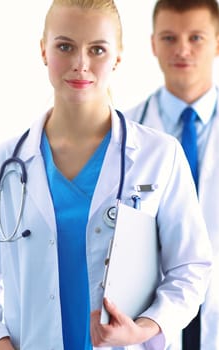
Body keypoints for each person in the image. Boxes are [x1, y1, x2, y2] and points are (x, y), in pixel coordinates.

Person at [0, 0, 213, 349]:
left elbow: (191, 267)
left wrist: (146, 327)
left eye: (98, 50)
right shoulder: (3, 164)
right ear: (43, 50)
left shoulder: (159, 156)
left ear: (118, 57)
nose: (80, 64)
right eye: (65, 46)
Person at [125, 1, 219, 349]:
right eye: (169, 37)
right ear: (152, 44)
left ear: (218, 43)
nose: (182, 49)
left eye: (196, 37)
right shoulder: (121, 136)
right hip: (144, 323)